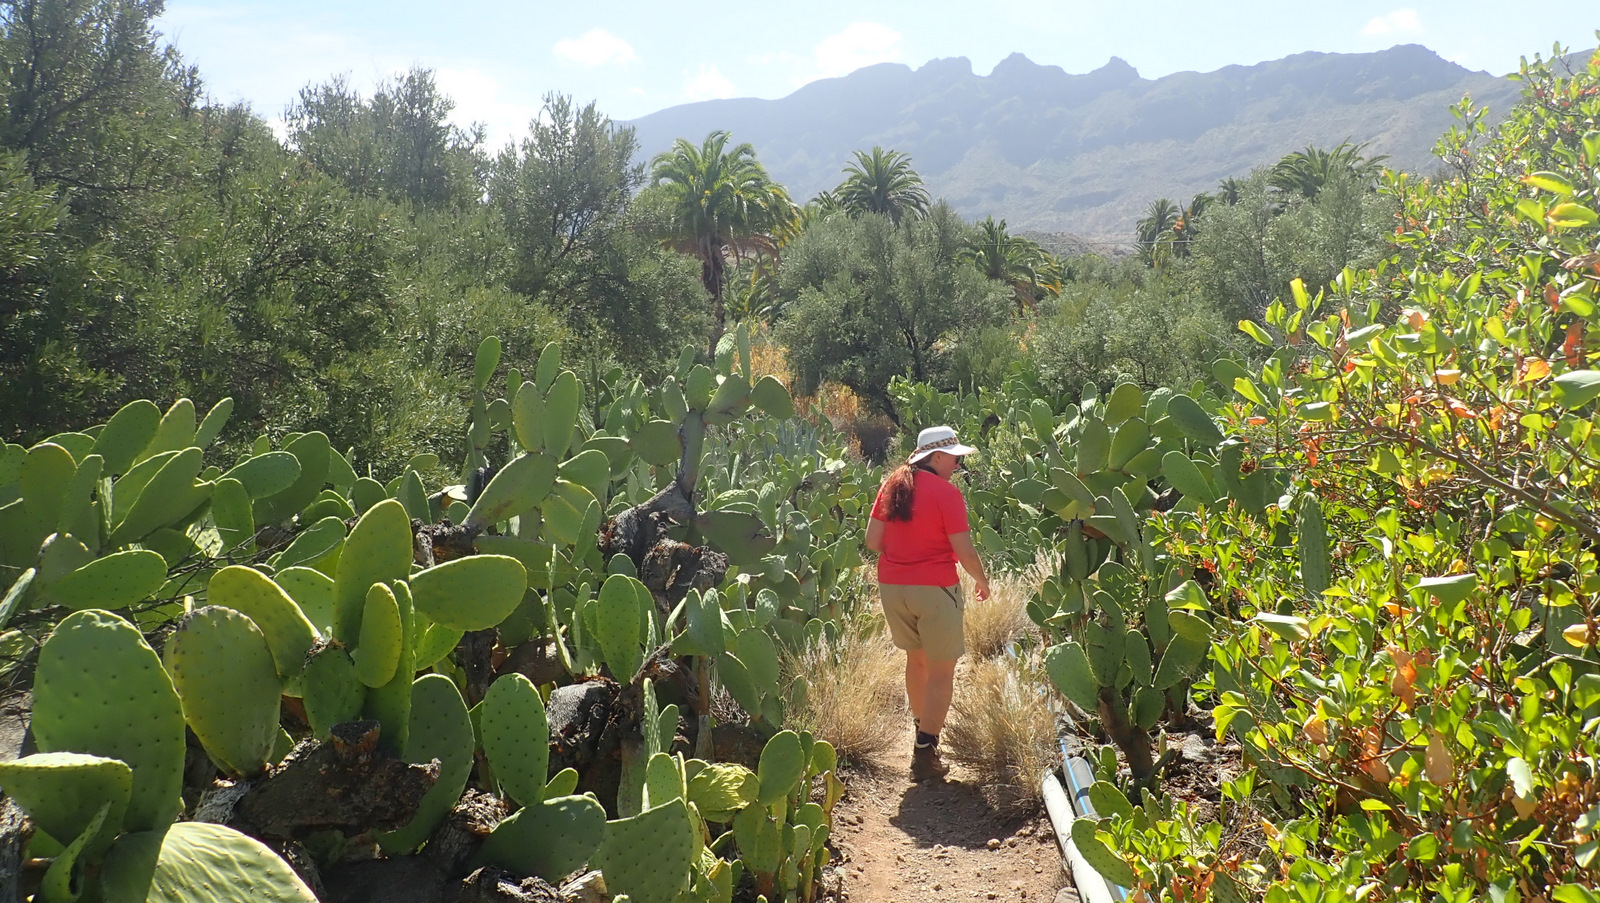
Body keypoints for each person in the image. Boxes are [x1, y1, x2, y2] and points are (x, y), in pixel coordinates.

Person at [865, 425, 991, 782]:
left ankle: (921, 732)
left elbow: (872, 541)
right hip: (935, 589)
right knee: (941, 671)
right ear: (936, 457)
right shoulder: (946, 493)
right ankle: (925, 751)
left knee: (916, 660)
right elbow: (965, 550)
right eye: (954, 458)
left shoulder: (892, 485)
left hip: (893, 588)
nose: (958, 465)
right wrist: (982, 580)